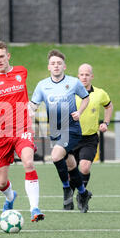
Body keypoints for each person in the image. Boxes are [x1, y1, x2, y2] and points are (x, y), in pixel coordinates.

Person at [0, 41, 44, 222]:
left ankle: (34, 209)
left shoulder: (22, 72)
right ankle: (10, 196)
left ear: (8, 56)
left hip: (23, 129)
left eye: (2, 56)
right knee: (1, 183)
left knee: (28, 162)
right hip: (0, 136)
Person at [29, 49, 92, 213]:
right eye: (53, 63)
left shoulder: (73, 82)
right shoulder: (42, 85)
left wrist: (80, 112)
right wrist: (28, 115)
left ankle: (66, 189)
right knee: (71, 164)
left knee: (56, 156)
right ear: (48, 67)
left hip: (72, 129)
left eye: (59, 63)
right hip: (56, 130)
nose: (56, 66)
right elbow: (33, 106)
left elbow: (86, 97)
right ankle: (84, 193)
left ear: (64, 66)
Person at [67, 63, 113, 210]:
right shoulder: (70, 92)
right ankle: (78, 194)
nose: (84, 77)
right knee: (70, 173)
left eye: (87, 74)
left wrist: (106, 122)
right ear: (77, 76)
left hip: (89, 139)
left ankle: (81, 196)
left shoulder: (99, 93)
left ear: (92, 76)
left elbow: (109, 106)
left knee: (84, 167)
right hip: (72, 137)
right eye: (82, 74)